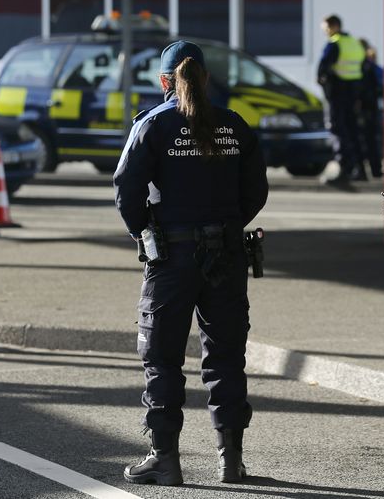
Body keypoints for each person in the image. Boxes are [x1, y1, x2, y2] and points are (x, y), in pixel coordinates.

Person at [113, 40, 268, 486]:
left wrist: (145, 231)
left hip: (172, 255)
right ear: (204, 79)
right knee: (226, 356)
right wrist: (227, 222)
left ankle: (166, 459)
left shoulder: (154, 125)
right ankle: (231, 461)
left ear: (165, 81)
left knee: (162, 356)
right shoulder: (234, 125)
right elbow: (255, 190)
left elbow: (126, 188)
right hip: (228, 255)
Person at [317, 14, 366, 183]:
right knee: (353, 130)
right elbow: (364, 68)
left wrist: (324, 87)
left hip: (337, 93)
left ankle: (344, 170)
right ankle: (360, 169)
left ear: (333, 26)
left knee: (338, 130)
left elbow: (322, 69)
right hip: (353, 94)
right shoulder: (354, 43)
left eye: (326, 28)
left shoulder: (334, 44)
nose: (326, 32)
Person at [358, 39, 384, 178]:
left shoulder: (364, 67)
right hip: (373, 108)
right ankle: (376, 170)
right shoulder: (374, 67)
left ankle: (363, 171)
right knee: (373, 140)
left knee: (365, 139)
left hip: (365, 108)